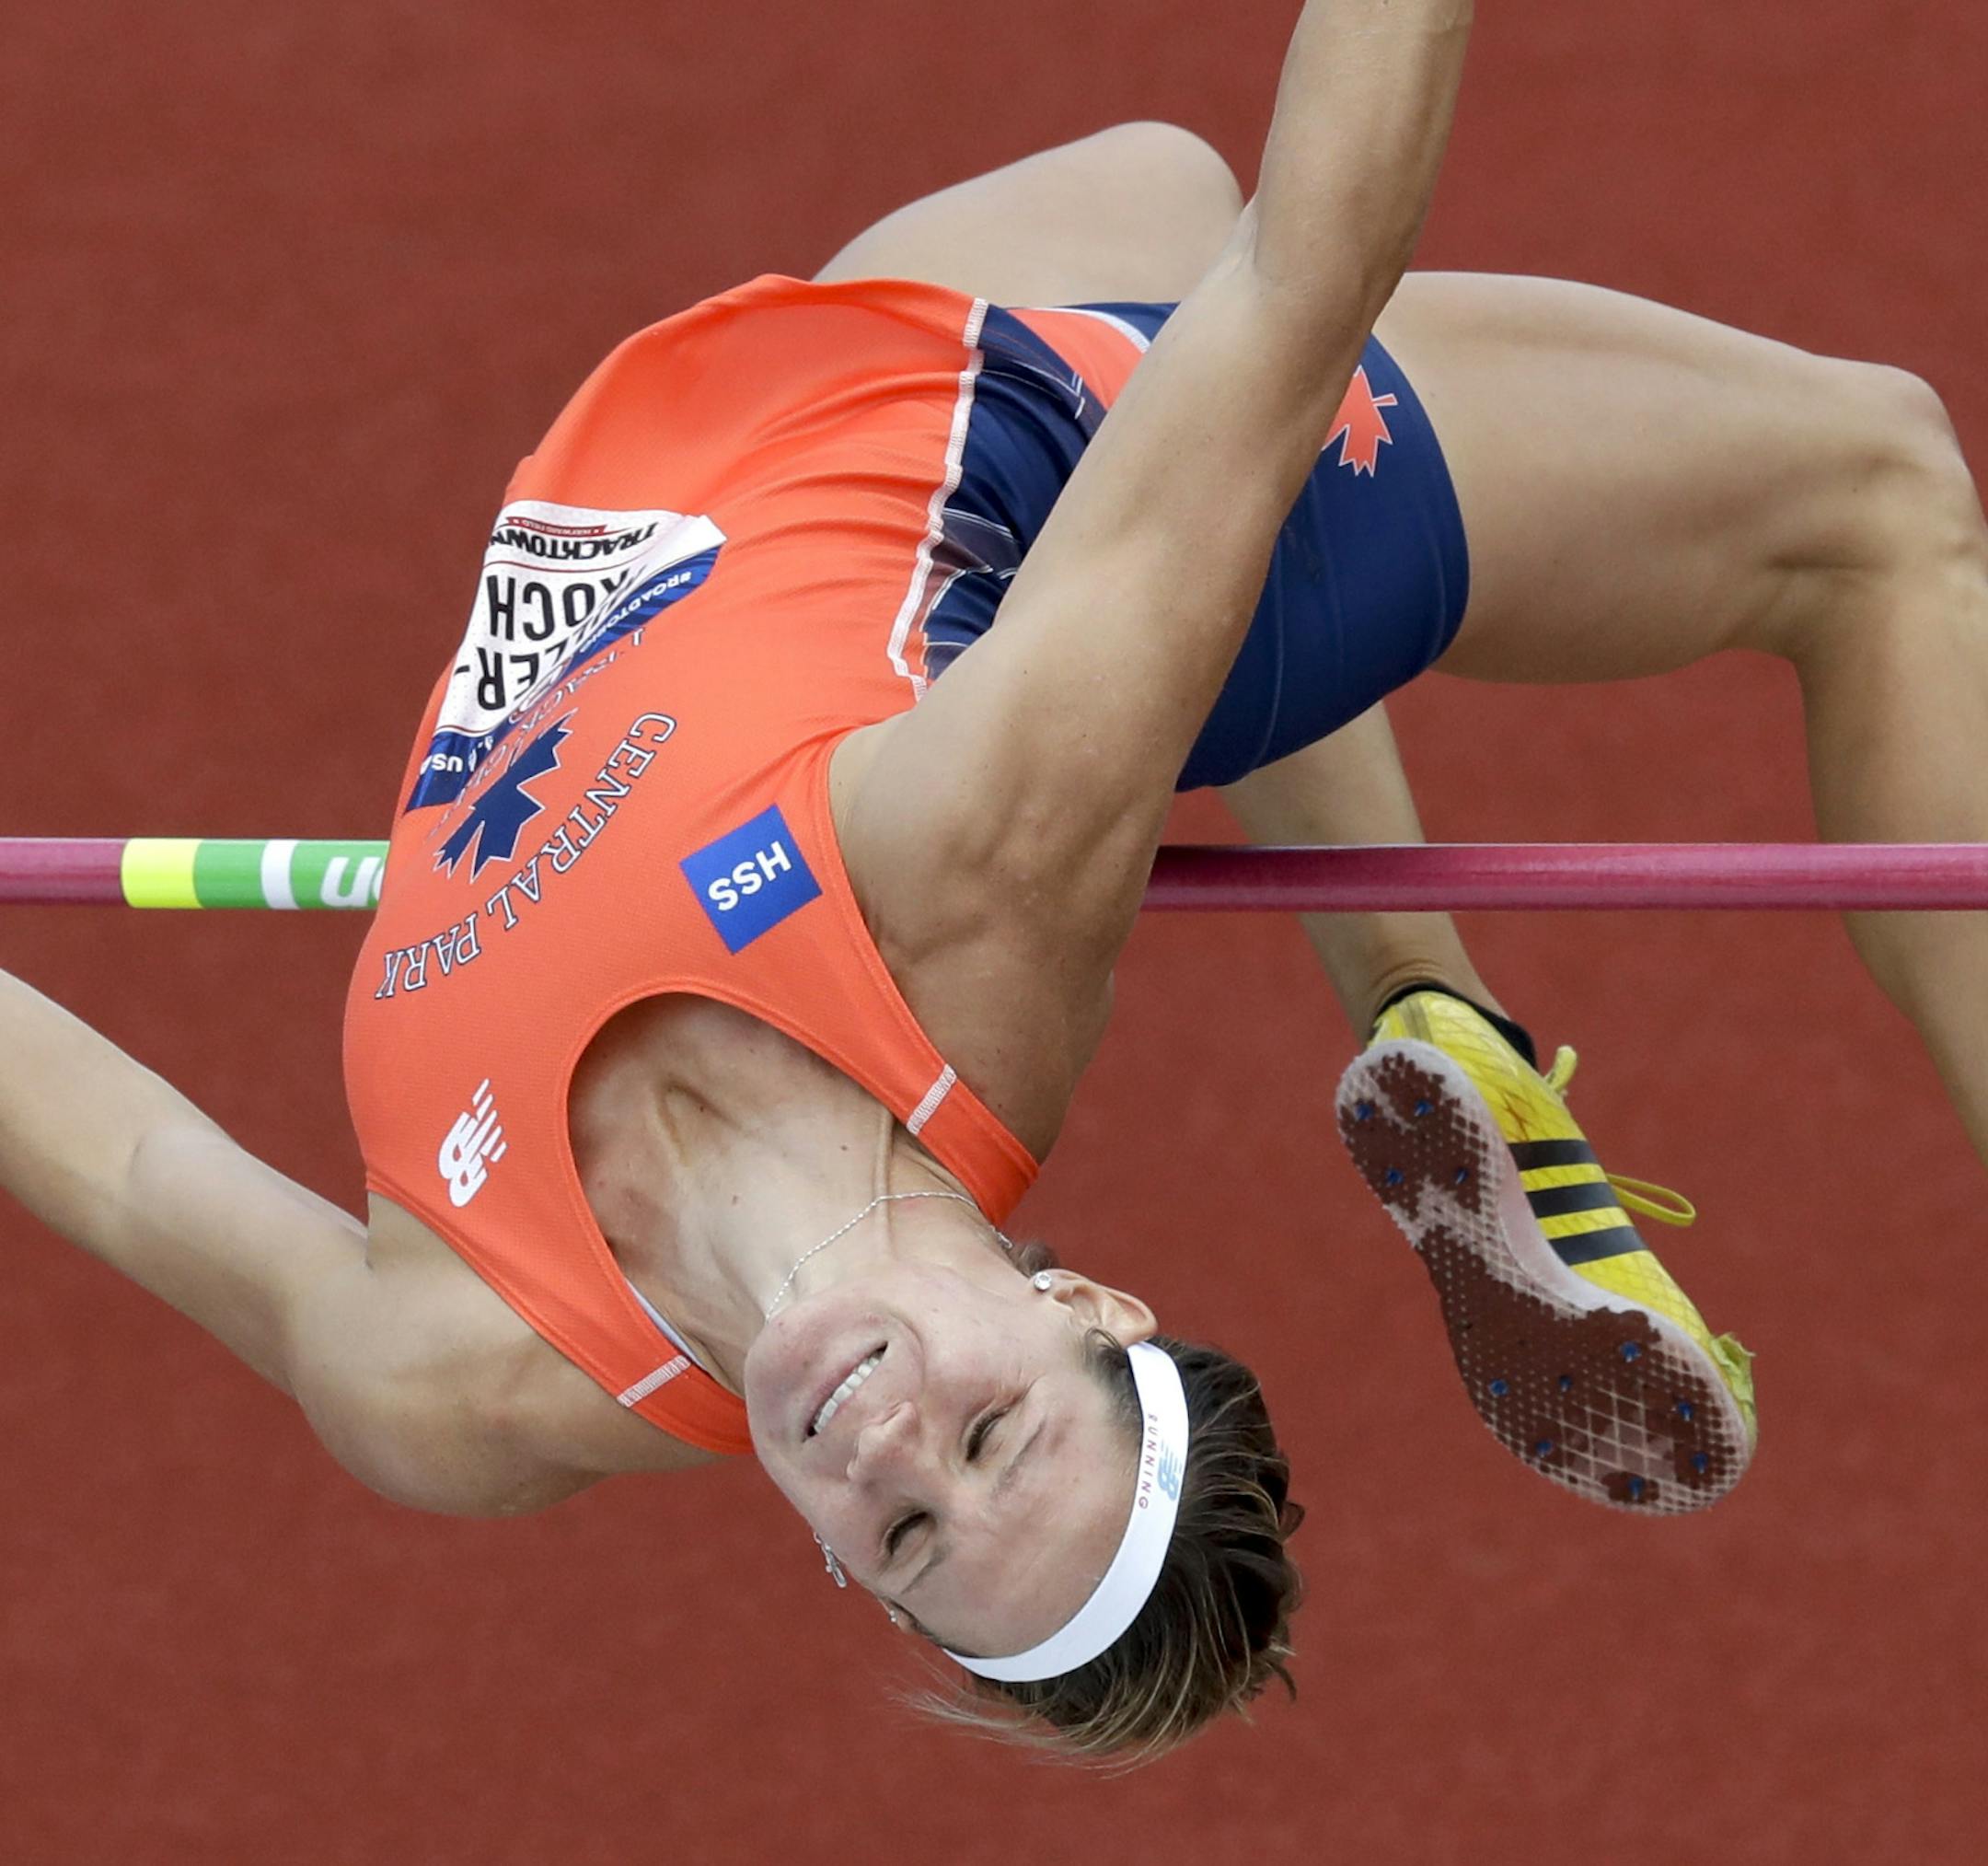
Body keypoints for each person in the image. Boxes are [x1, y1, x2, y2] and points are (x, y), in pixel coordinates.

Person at [6, 0, 1988, 1765]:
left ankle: (1430, 1007)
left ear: (847, 1577)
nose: (884, 1451)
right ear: (1078, 1302)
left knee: (1154, 198)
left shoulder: (459, 1377)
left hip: (745, 412)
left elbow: (108, 1161)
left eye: (907, 1541)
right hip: (981, 440)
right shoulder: (960, 882)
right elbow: (1302, 292)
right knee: (1876, 494)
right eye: (992, 1436)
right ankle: (1421, 986)